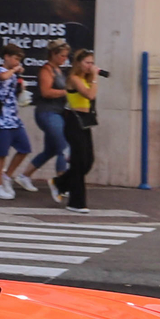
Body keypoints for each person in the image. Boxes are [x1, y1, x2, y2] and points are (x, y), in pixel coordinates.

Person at [22, 40, 72, 199]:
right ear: (53, 54)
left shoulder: (58, 70)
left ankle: (24, 176)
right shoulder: (46, 70)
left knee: (51, 149)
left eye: (66, 56)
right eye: (62, 56)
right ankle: (60, 184)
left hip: (56, 113)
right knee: (64, 148)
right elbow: (46, 92)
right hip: (47, 113)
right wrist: (66, 92)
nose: (65, 58)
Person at [57, 49, 99, 211]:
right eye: (87, 62)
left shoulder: (87, 79)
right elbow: (89, 95)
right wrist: (95, 78)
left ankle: (60, 183)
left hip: (85, 122)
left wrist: (93, 78)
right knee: (78, 161)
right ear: (78, 63)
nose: (90, 66)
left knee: (88, 161)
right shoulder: (74, 79)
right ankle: (76, 202)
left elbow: (92, 96)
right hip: (74, 121)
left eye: (92, 63)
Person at [0, 50, 32, 200]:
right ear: (6, 56)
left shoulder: (14, 75)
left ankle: (7, 176)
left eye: (19, 59)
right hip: (1, 120)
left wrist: (22, 87)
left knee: (25, 148)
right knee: (2, 153)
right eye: (15, 58)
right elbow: (3, 76)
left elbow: (16, 91)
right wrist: (14, 70)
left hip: (14, 118)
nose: (17, 62)